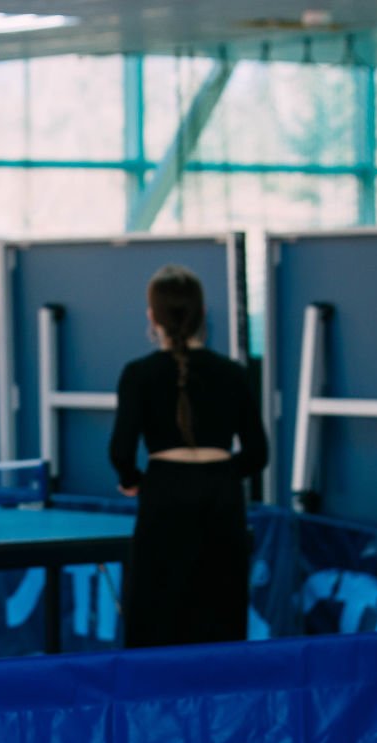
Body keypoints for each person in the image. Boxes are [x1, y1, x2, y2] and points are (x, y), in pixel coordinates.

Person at [107, 264, 268, 648]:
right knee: (221, 612)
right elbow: (258, 454)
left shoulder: (138, 374)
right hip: (221, 498)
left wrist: (134, 481)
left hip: (164, 493)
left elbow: (120, 451)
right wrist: (221, 475)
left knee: (156, 614)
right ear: (202, 314)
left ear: (153, 317)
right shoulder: (233, 373)